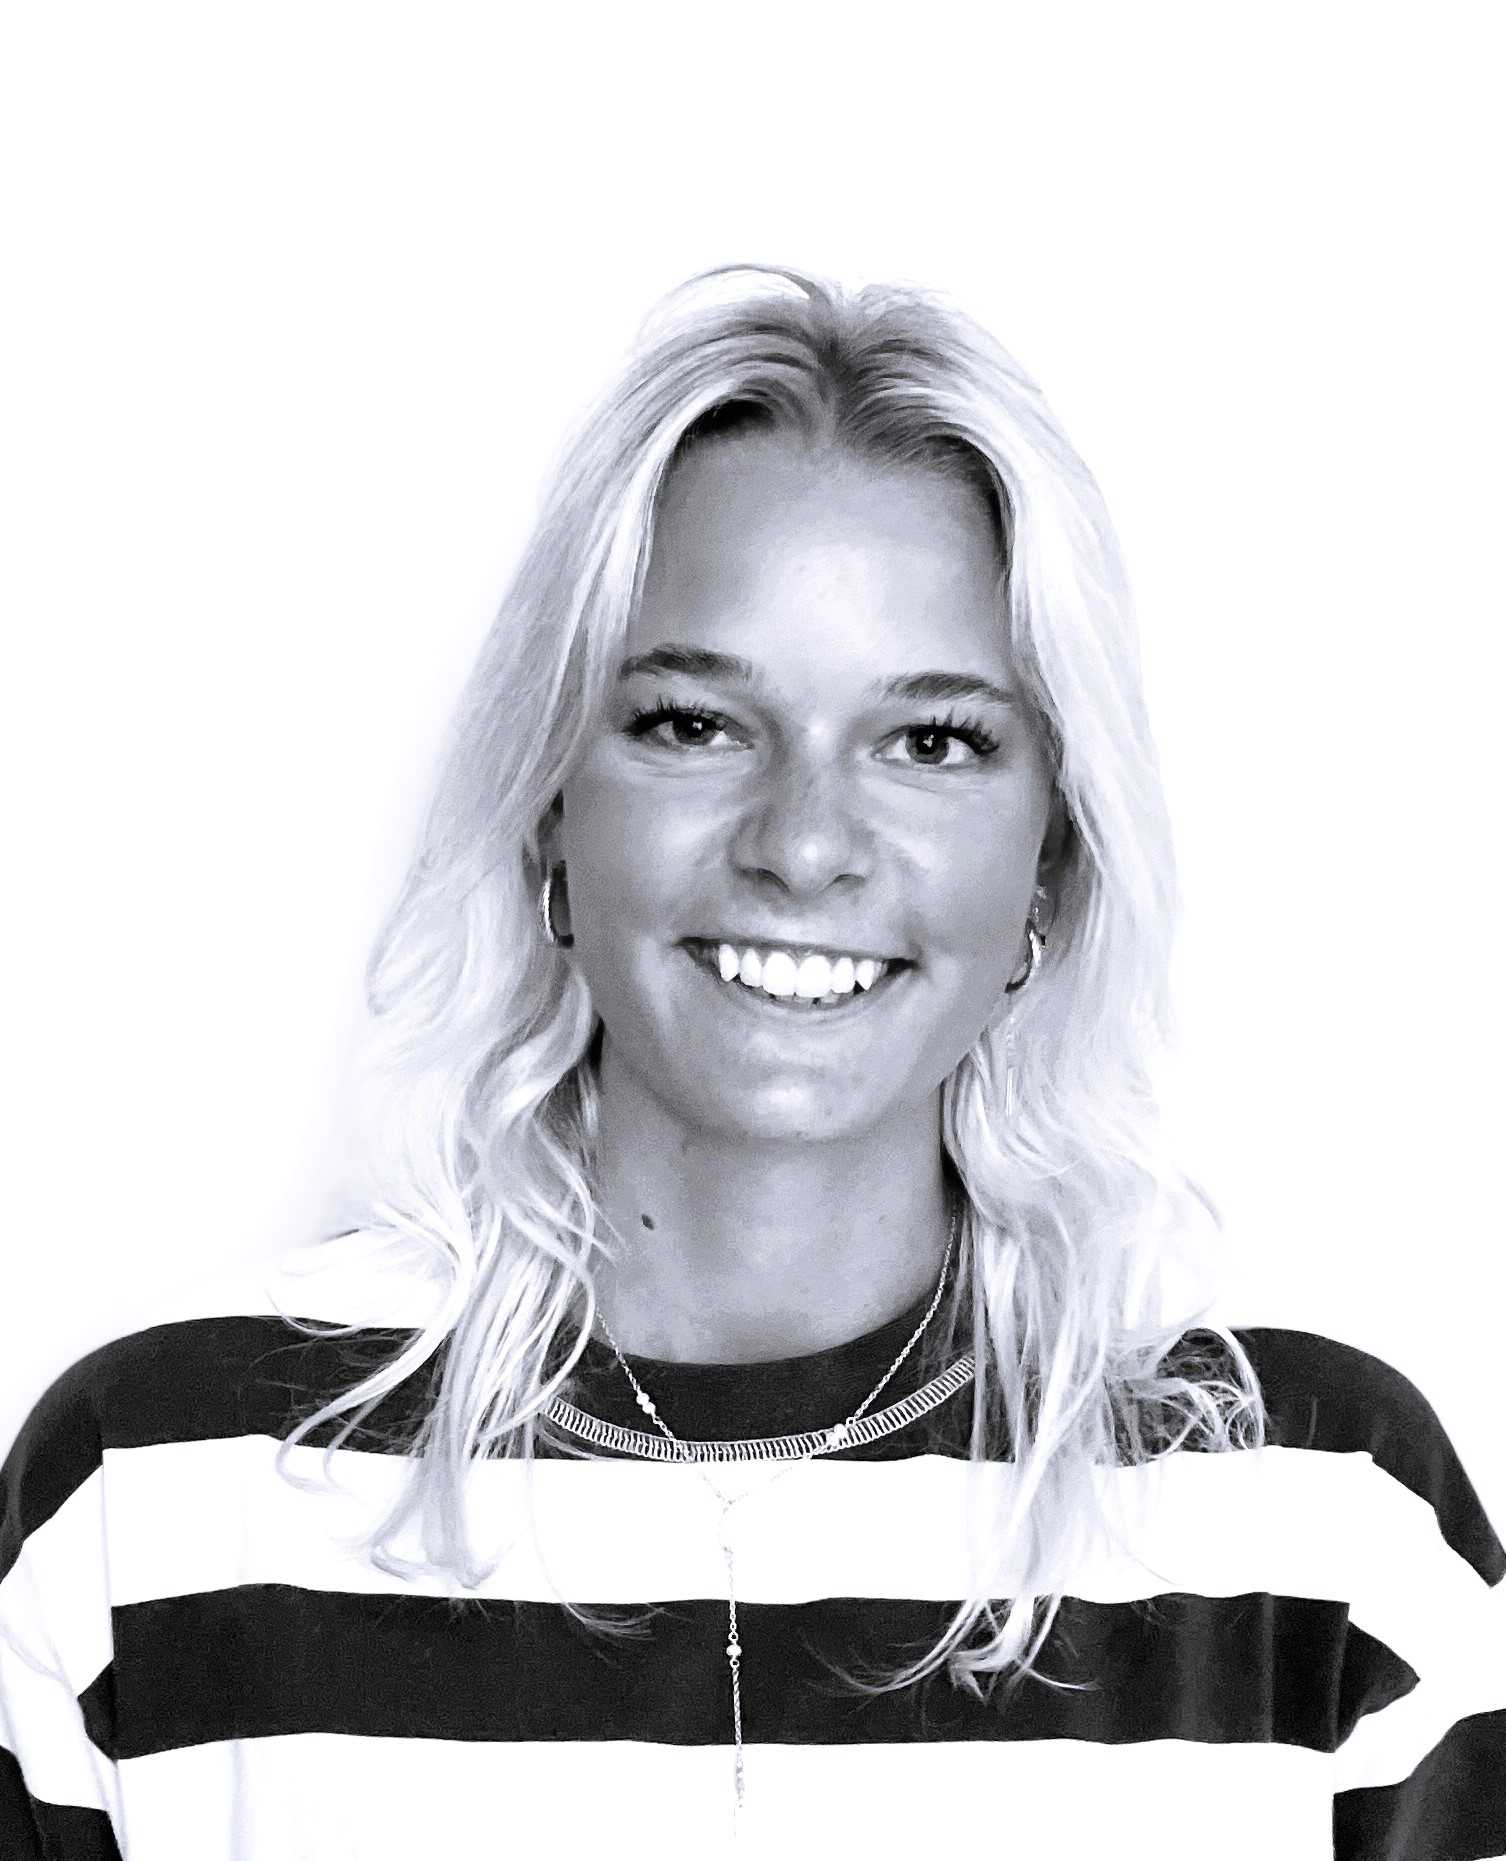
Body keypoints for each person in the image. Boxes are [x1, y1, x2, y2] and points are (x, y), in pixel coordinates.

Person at [2, 264, 1502, 1858]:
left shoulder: (1321, 1524)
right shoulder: (158, 1499)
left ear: (1051, 861)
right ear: (548, 807)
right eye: (691, 722)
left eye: (931, 741)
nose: (801, 843)